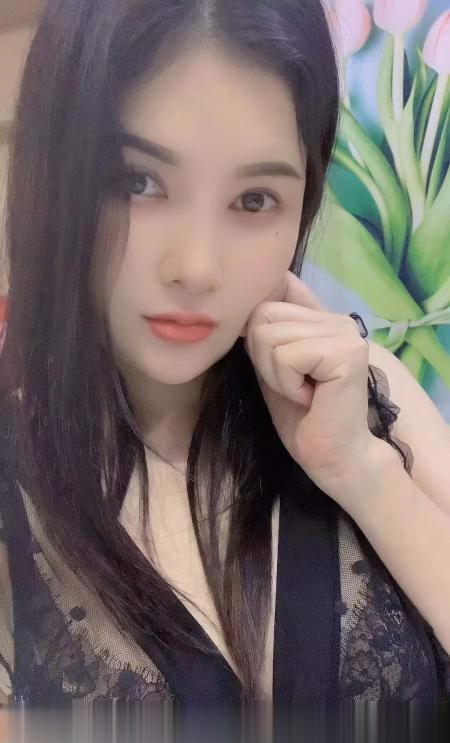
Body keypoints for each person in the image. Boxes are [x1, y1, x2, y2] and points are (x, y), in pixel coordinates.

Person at [0, 0, 449, 706]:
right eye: (137, 181)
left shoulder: (364, 396)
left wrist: (362, 471)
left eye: (255, 200)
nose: (197, 268)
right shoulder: (17, 476)